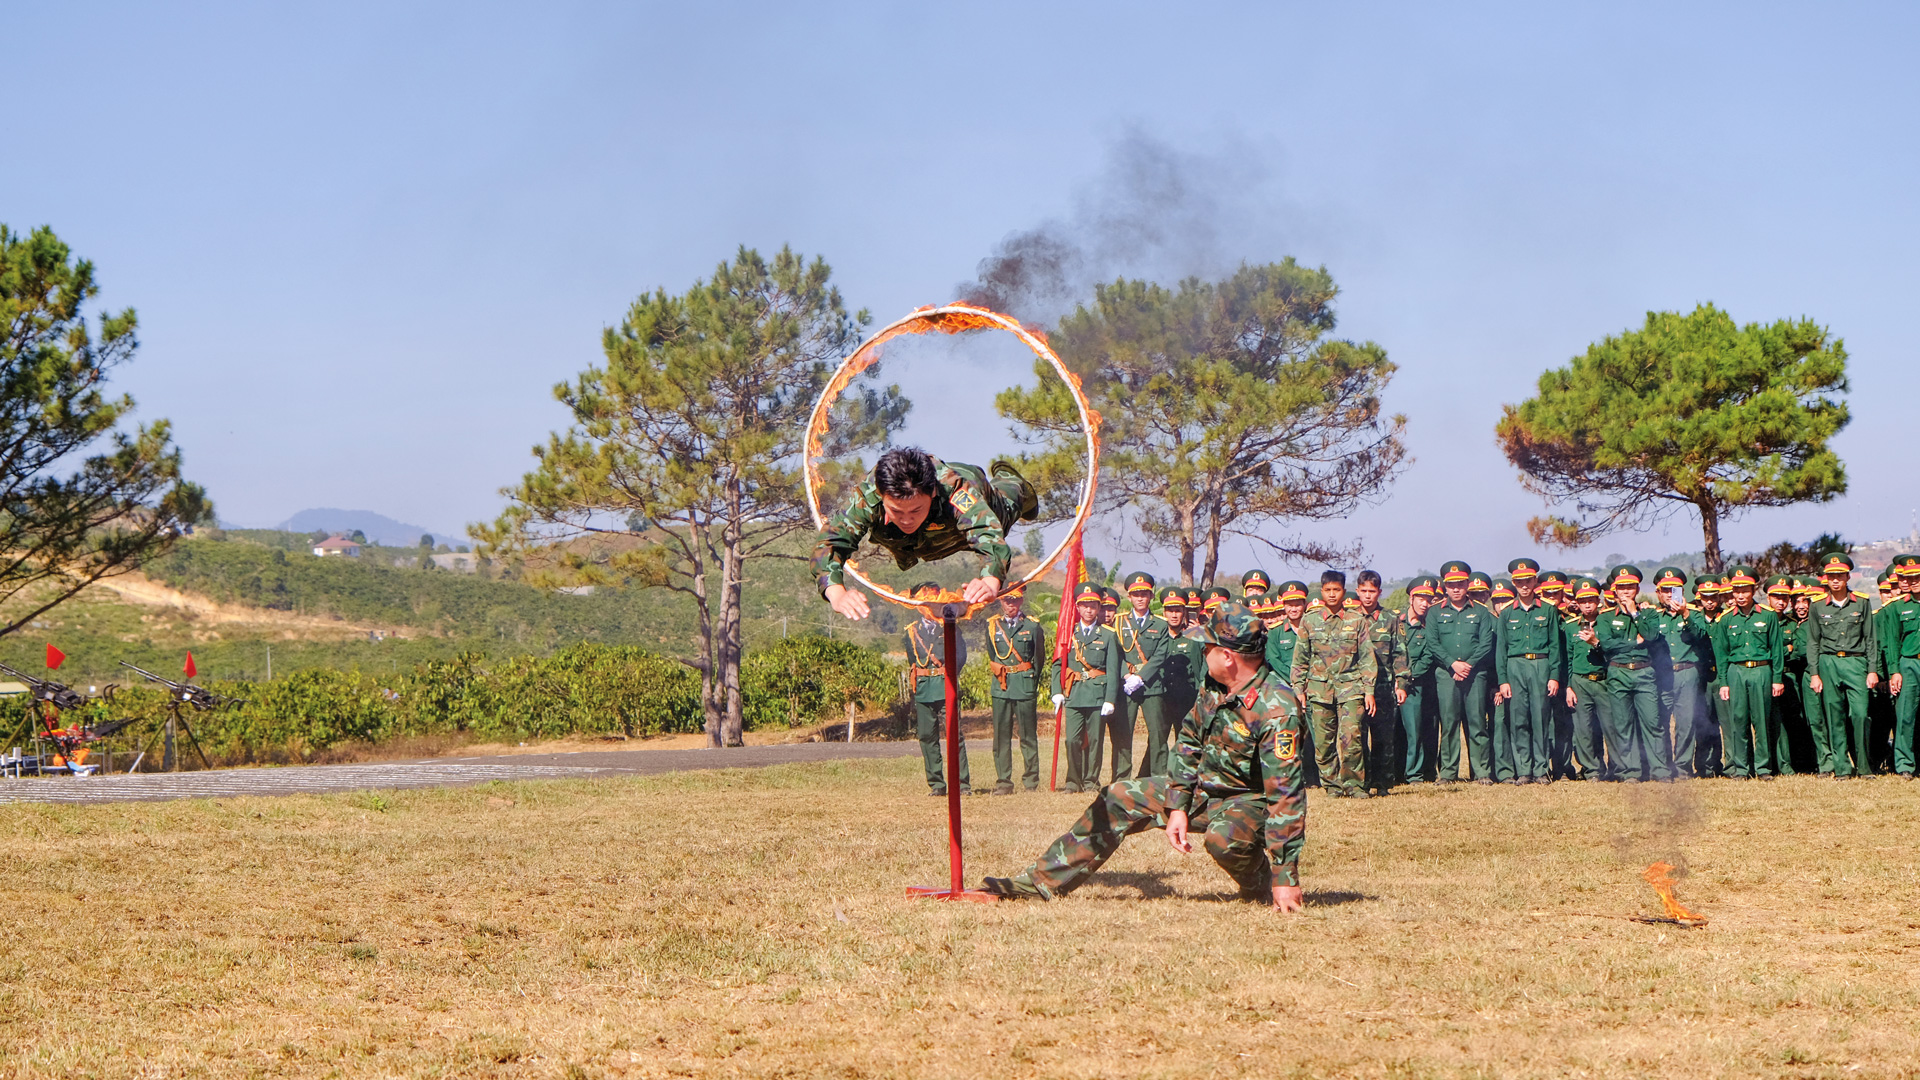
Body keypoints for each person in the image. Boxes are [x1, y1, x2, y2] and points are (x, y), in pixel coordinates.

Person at [979, 602, 1308, 912]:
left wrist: (1285, 876)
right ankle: (1039, 883)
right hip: (1206, 791)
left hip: (1249, 802)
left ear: (1227, 656)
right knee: (1117, 796)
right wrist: (1178, 805)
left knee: (1222, 838)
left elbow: (1286, 798)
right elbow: (1189, 742)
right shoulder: (1217, 685)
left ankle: (1260, 883)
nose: (1202, 653)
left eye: (1206, 649)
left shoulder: (1278, 710)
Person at [814, 447, 1037, 620]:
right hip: (915, 542)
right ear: (882, 496)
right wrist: (836, 593)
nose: (907, 519)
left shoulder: (956, 490)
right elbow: (831, 542)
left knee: (1005, 511)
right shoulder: (868, 495)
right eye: (897, 511)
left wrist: (990, 580)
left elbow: (987, 532)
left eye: (915, 510)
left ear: (931, 493)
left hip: (964, 510)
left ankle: (1012, 482)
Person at [1290, 570, 1379, 797]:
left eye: (1336, 590)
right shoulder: (1309, 621)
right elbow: (1300, 659)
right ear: (1321, 592)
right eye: (1328, 590)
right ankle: (1332, 786)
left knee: (1352, 739)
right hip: (1319, 691)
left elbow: (1367, 658)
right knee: (1323, 743)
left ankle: (1355, 785)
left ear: (1343, 591)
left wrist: (1369, 691)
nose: (1332, 595)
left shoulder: (1356, 621)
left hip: (1351, 689)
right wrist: (1298, 689)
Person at [1807, 552, 1879, 779]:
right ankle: (1841, 768)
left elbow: (1870, 639)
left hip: (1856, 662)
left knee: (1860, 715)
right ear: (1825, 579)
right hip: (1828, 663)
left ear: (1848, 577)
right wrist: (1815, 673)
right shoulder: (1817, 606)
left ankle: (1864, 767)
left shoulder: (1863, 602)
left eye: (1839, 575)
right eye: (1831, 576)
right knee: (1833, 716)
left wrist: (1872, 670)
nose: (1835, 580)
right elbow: (1813, 642)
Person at [1714, 565, 1786, 779]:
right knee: (1738, 720)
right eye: (1736, 591)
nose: (1740, 595)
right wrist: (1724, 682)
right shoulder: (1725, 619)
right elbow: (1722, 654)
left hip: (1761, 671)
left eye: (1745, 590)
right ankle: (1741, 768)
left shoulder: (1769, 615)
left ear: (1754, 590)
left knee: (1761, 720)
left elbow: (1776, 650)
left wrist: (1777, 678)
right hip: (1736, 672)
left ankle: (1763, 768)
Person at [1050, 582, 1123, 793]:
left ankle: (1091, 781)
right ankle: (1073, 781)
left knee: (1096, 741)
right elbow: (1058, 665)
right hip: (1073, 694)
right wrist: (1057, 691)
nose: (1089, 610)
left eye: (1093, 605)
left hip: (1097, 694)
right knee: (1072, 740)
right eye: (1085, 605)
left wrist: (1110, 699)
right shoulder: (1068, 633)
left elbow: (1112, 670)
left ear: (1099, 608)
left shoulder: (1108, 635)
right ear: (1077, 608)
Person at [1494, 558, 1562, 784]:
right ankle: (1523, 769)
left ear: (1535, 581)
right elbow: (1501, 650)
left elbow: (1555, 647)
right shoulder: (1506, 613)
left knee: (1541, 717)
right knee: (1518, 719)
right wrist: (1503, 680)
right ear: (1514, 583)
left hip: (1540, 666)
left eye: (1528, 581)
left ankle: (1541, 769)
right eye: (1519, 581)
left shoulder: (1549, 610)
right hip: (1515, 666)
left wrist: (1553, 676)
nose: (1524, 585)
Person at [1429, 561, 1495, 783]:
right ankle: (1448, 773)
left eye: (1460, 584)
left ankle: (1481, 772)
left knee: (1477, 724)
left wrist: (1467, 665)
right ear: (1444, 587)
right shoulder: (1435, 612)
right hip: (1446, 675)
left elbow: (1485, 643)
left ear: (1467, 584)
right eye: (1451, 585)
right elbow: (1433, 642)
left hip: (1475, 675)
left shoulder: (1481, 612)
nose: (1456, 589)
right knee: (1449, 725)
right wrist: (1452, 664)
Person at [903, 582, 971, 795]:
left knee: (954, 735)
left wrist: (948, 677)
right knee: (927, 736)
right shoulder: (912, 632)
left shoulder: (949, 627)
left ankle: (962, 784)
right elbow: (912, 659)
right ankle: (937, 784)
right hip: (923, 689)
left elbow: (960, 656)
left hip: (945, 687)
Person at [1648, 567, 1714, 779]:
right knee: (1660, 722)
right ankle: (1664, 766)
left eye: (1674, 589)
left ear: (1682, 591)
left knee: (1685, 723)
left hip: (1687, 672)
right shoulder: (1653, 616)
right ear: (1658, 593)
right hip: (1662, 674)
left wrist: (1685, 613)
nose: (1669, 594)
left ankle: (1683, 767)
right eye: (1665, 590)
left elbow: (1701, 636)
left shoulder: (1694, 614)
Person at [984, 588, 1050, 794]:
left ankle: (1031, 781)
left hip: (1024, 684)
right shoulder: (992, 626)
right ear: (1001, 602)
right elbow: (992, 655)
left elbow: (1039, 658)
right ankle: (1003, 782)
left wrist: (1030, 681)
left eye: (1014, 601)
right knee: (1001, 736)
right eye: (1006, 601)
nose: (1010, 605)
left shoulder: (1032, 626)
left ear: (1021, 601)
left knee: (1028, 735)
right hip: (1001, 686)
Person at [1115, 571, 1175, 781]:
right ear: (1129, 597)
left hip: (1152, 685)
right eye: (1136, 594)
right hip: (1127, 685)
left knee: (1158, 734)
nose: (1140, 598)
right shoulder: (1119, 622)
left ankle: (1159, 777)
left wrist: (1140, 677)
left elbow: (1161, 655)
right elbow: (1116, 654)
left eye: (1144, 594)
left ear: (1151, 597)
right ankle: (1121, 778)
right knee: (1124, 733)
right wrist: (1125, 675)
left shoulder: (1160, 624)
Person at [1354, 569, 1408, 794]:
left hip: (1384, 687)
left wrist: (1402, 683)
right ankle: (1362, 782)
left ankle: (1383, 782)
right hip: (1356, 687)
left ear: (1379, 592)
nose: (1368, 596)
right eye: (1364, 591)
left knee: (1383, 738)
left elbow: (1400, 654)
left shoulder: (1390, 619)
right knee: (1358, 737)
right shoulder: (1349, 619)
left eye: (1372, 591)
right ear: (1357, 591)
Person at [1148, 586, 1208, 777]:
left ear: (1184, 612)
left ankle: (1184, 776)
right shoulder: (1156, 635)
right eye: (1170, 610)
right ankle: (1158, 776)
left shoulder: (1196, 636)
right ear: (1164, 612)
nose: (1174, 615)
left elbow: (1202, 669)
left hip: (1186, 698)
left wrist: (1201, 694)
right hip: (1161, 697)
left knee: (1186, 739)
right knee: (1157, 740)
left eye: (1178, 610)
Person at [1562, 578, 1616, 781]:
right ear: (1576, 602)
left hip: (1604, 681)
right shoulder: (1570, 627)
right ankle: (1592, 769)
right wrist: (1568, 686)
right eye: (1582, 600)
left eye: (1591, 600)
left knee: (1610, 727)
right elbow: (1567, 659)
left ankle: (1615, 768)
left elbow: (1615, 654)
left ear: (1598, 601)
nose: (1587, 605)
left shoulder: (1608, 622)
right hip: (1580, 682)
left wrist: (1596, 643)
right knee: (1584, 729)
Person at [1399, 576, 1441, 784]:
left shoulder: (1429, 627)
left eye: (1429, 599)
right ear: (1411, 598)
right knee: (1394, 732)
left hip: (1415, 685)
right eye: (1421, 598)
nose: (1425, 603)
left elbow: (1429, 656)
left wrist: (1408, 677)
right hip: (1392, 684)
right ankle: (1395, 772)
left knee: (1416, 732)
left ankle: (1415, 774)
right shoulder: (1395, 622)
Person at [1881, 556, 1920, 778]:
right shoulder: (1898, 607)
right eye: (1908, 578)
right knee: (1905, 715)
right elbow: (1893, 643)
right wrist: (1895, 671)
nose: (1913, 582)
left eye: (1917, 578)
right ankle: (1905, 764)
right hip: (1909, 663)